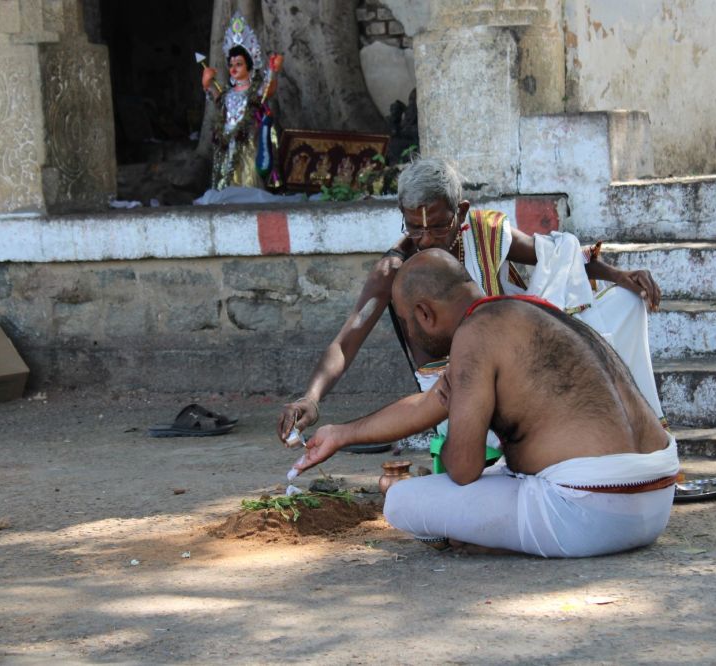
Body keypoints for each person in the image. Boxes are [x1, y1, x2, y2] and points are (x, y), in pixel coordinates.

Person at [293, 250, 679, 557]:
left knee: (401, 500)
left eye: (407, 322)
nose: (410, 333)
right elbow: (428, 404)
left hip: (591, 514)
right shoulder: (528, 311)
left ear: (424, 313)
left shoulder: (474, 335)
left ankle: (494, 542)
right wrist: (340, 434)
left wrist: (459, 434)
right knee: (497, 478)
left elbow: (463, 470)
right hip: (656, 497)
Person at [277, 157, 665, 442]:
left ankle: (638, 437)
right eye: (414, 228)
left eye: (438, 226)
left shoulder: (484, 232)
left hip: (509, 368)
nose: (426, 240)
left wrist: (619, 275)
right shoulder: (393, 270)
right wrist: (311, 397)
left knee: (623, 304)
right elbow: (346, 340)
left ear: (461, 212)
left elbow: (555, 254)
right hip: (448, 395)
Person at [202, 12, 282, 190]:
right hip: (226, 142)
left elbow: (268, 89)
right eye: (231, 64)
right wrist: (207, 83)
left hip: (249, 141)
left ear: (249, 65)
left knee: (248, 179)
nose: (233, 68)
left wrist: (273, 70)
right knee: (226, 178)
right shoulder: (227, 93)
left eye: (238, 64)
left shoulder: (255, 90)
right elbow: (216, 97)